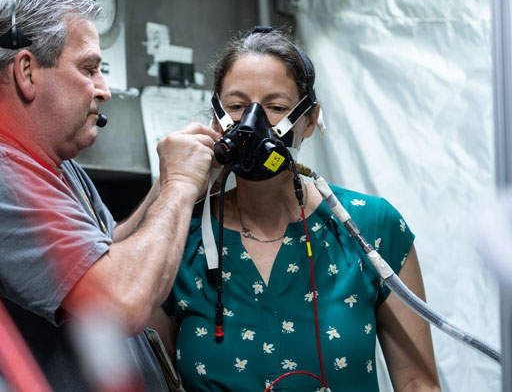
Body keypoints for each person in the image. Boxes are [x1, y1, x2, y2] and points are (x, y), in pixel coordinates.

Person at [0, 0, 220, 391]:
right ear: (26, 71)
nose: (104, 90)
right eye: (89, 69)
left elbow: (103, 253)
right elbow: (121, 301)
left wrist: (174, 183)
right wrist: (179, 186)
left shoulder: (52, 165)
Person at [151, 28, 441, 391]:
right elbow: (148, 377)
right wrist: (173, 189)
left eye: (276, 107)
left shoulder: (369, 227)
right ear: (215, 119)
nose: (252, 124)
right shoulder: (180, 236)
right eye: (237, 106)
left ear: (308, 120)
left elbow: (417, 382)